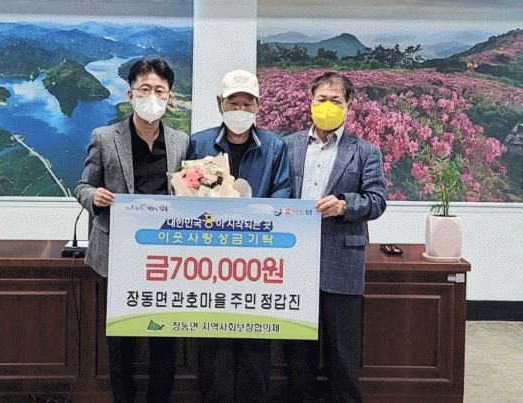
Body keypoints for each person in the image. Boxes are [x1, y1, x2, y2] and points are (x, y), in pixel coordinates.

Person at [74, 56, 189, 403]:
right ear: (130, 94)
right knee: (121, 340)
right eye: (145, 89)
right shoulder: (105, 137)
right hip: (119, 254)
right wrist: (95, 197)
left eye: (160, 90)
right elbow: (82, 186)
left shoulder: (181, 141)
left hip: (165, 256)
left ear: (169, 96)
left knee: (163, 339)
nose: (152, 97)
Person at [187, 69, 291, 403]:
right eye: (234, 102)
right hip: (211, 263)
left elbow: (283, 197)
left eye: (248, 103)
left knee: (254, 345)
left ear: (258, 106)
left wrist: (252, 221)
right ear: (220, 103)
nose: (241, 110)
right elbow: (187, 201)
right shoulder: (200, 143)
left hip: (256, 263)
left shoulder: (274, 146)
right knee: (213, 345)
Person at [283, 72, 387, 403]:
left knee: (342, 351)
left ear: (348, 106)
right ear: (310, 102)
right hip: (294, 259)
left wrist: (344, 205)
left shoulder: (366, 151)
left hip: (342, 260)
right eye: (321, 100)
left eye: (336, 100)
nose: (327, 106)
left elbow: (377, 201)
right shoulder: (289, 145)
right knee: (298, 349)